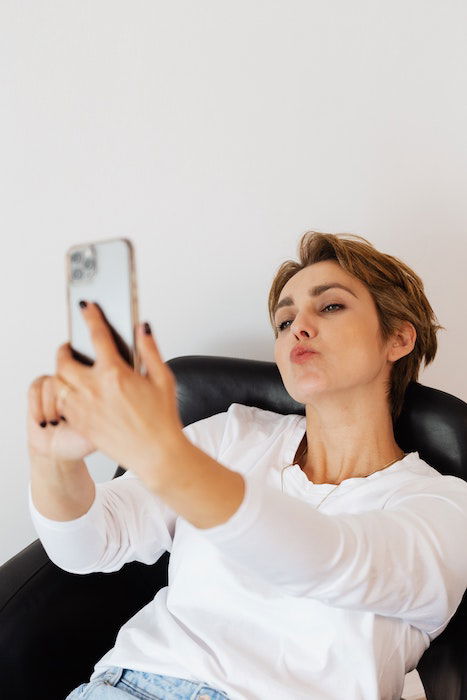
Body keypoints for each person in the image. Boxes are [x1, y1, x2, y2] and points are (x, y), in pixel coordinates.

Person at [27, 231, 467, 700]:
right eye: (283, 320)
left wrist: (165, 458)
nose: (298, 326)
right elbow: (89, 545)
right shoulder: (234, 433)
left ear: (398, 337)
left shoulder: (441, 506)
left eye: (330, 306)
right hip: (130, 687)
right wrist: (53, 459)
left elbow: (329, 561)